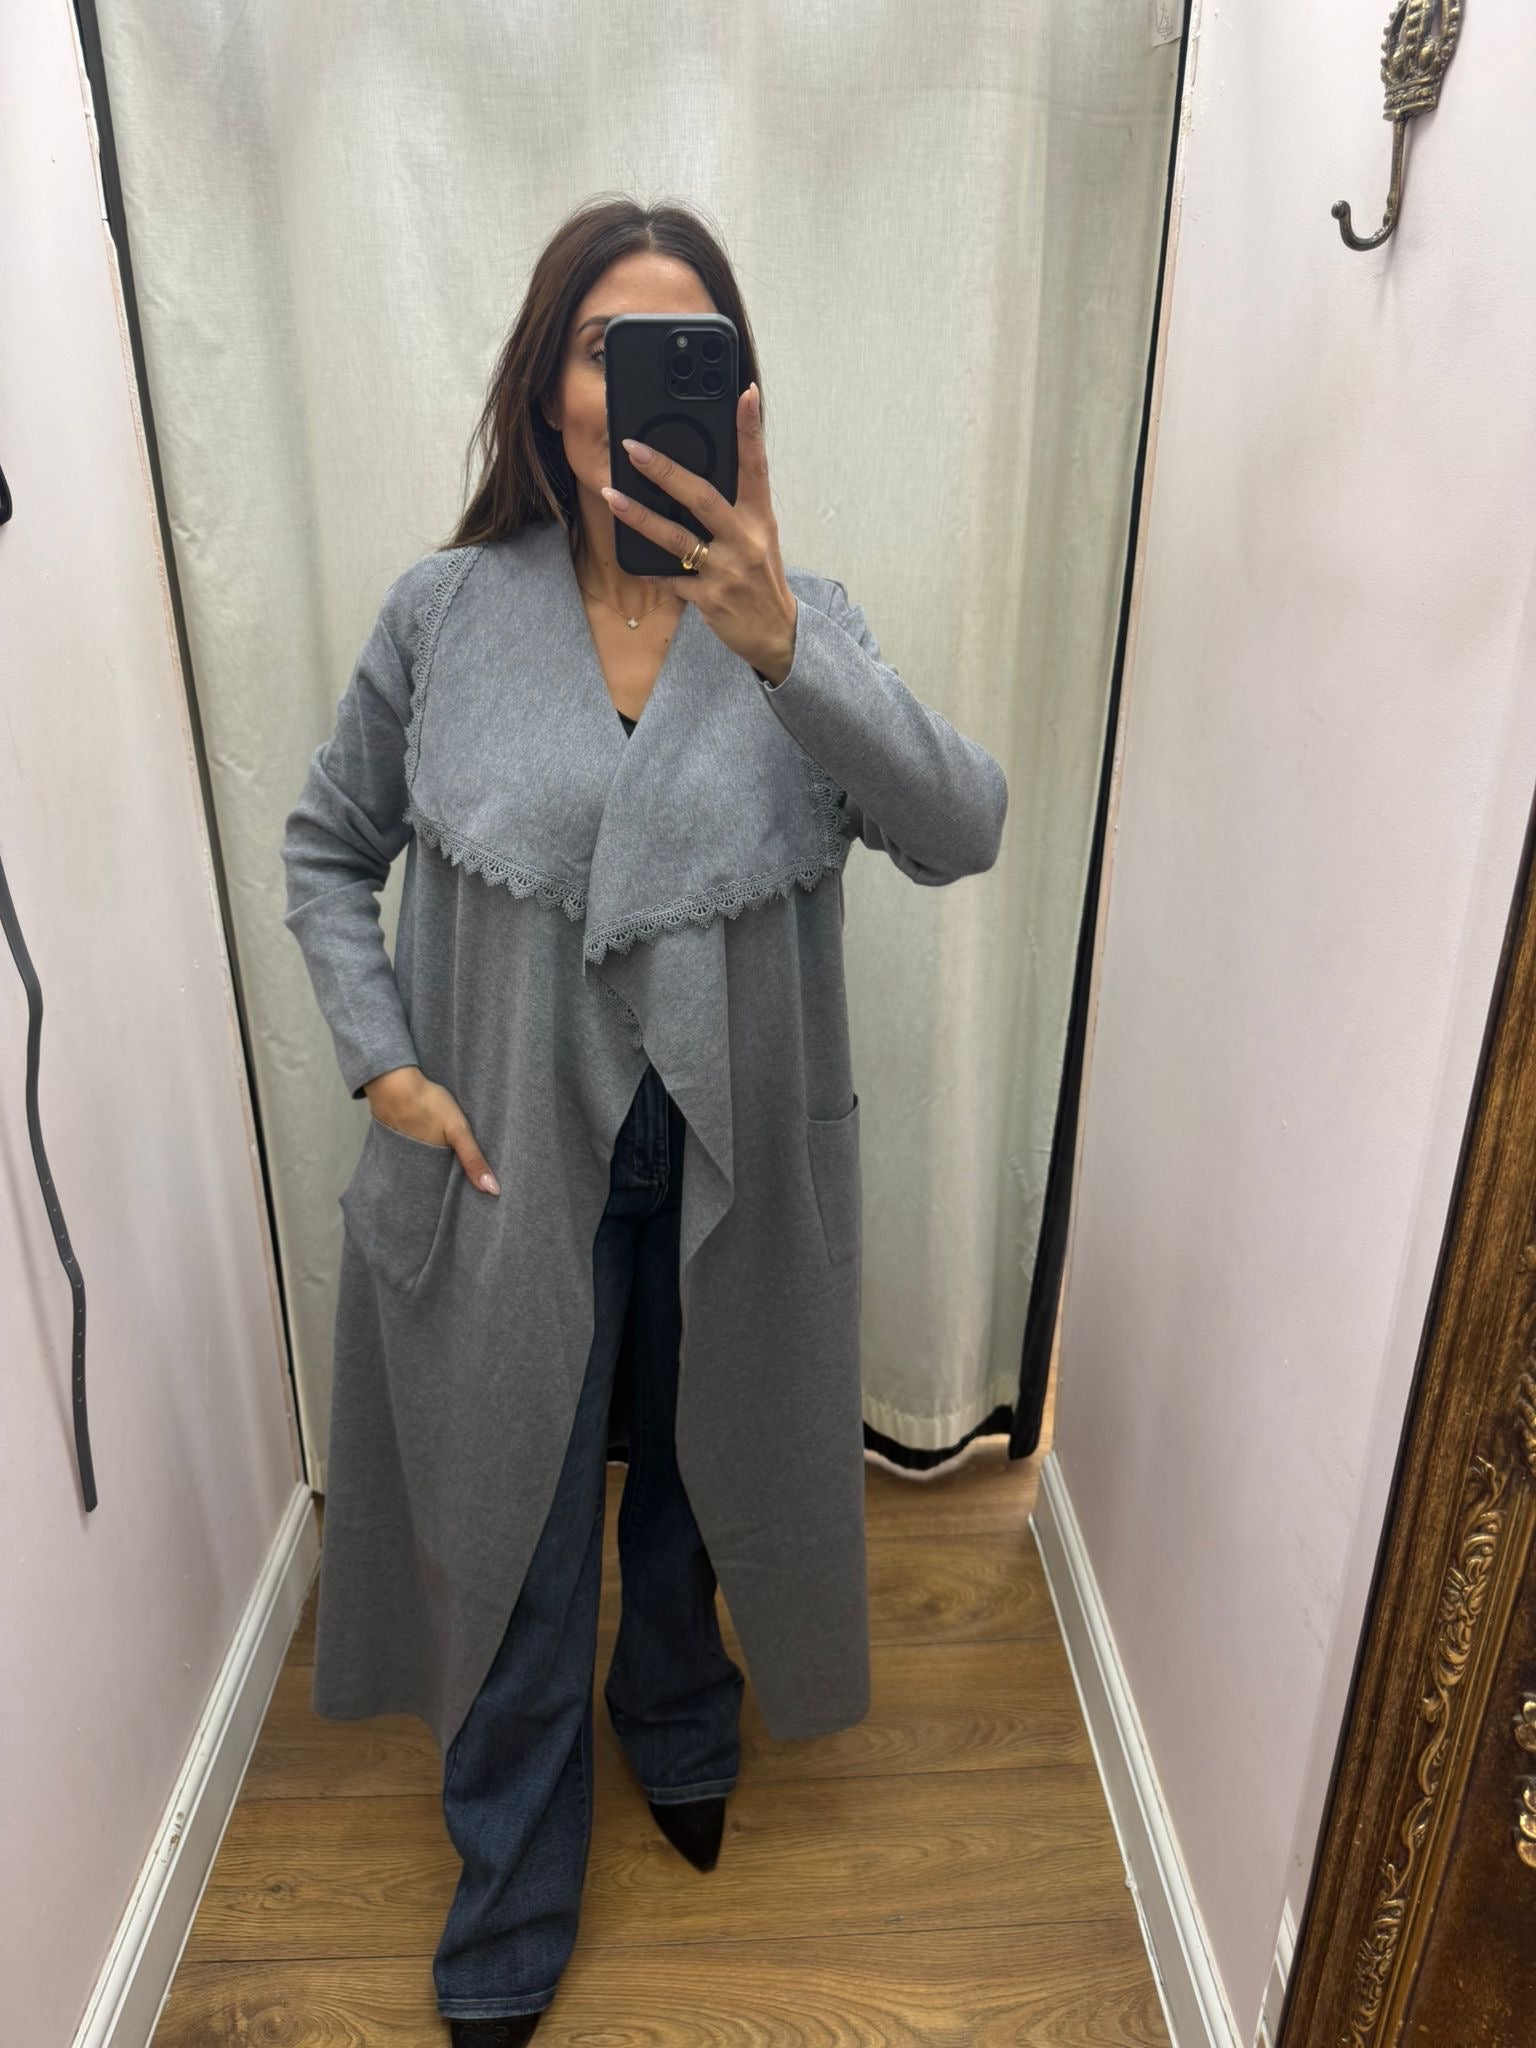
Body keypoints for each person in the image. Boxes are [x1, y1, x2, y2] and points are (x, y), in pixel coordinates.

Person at [281, 196, 1009, 2044]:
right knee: (517, 1523)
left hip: (731, 1167)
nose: (637, 380)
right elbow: (325, 846)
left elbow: (963, 828)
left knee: (703, 1477)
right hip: (504, 1163)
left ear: (735, 393)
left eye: (684, 344)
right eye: (605, 343)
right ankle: (509, 1876)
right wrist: (383, 1060)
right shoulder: (446, 616)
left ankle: (680, 1720)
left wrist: (786, 650)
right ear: (550, 387)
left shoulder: (797, 627)